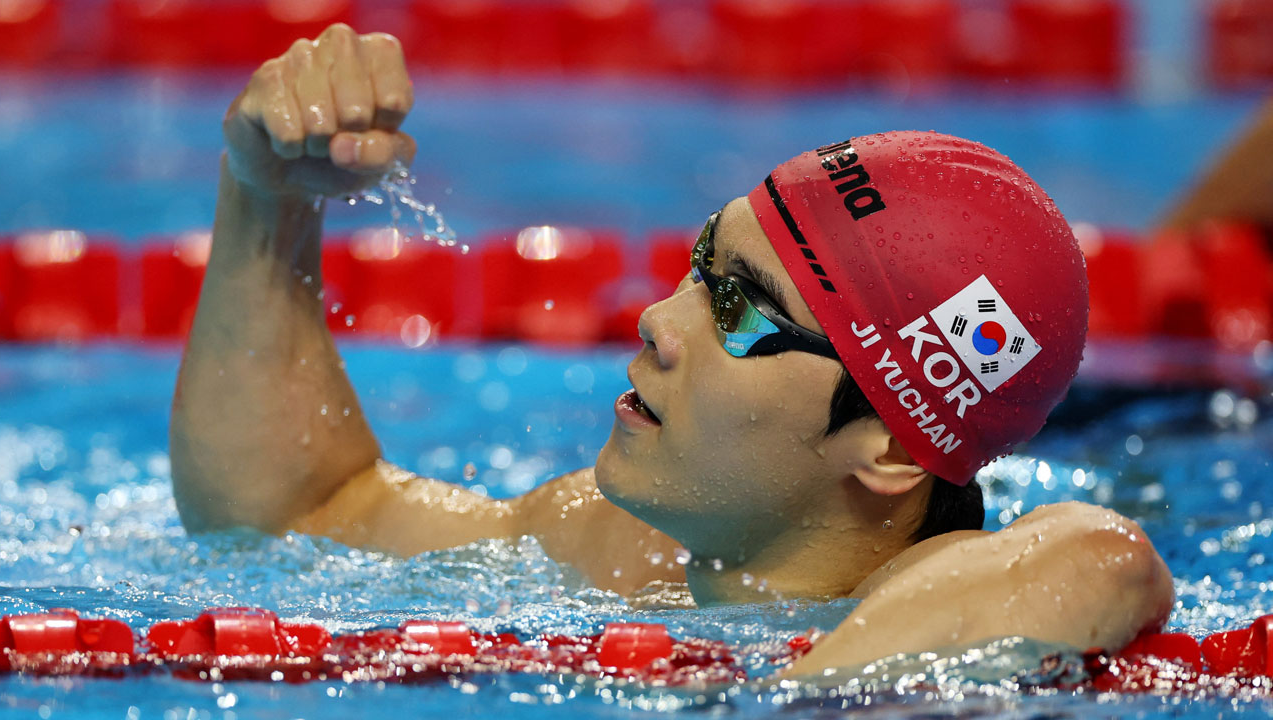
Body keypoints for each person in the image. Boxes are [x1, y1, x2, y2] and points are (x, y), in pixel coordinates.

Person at [169, 25, 1173, 678]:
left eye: (739, 312)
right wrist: (267, 202)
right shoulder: (623, 546)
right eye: (701, 266)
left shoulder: (949, 586)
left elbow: (1101, 559)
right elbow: (292, 516)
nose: (657, 317)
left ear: (891, 450)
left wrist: (789, 691)